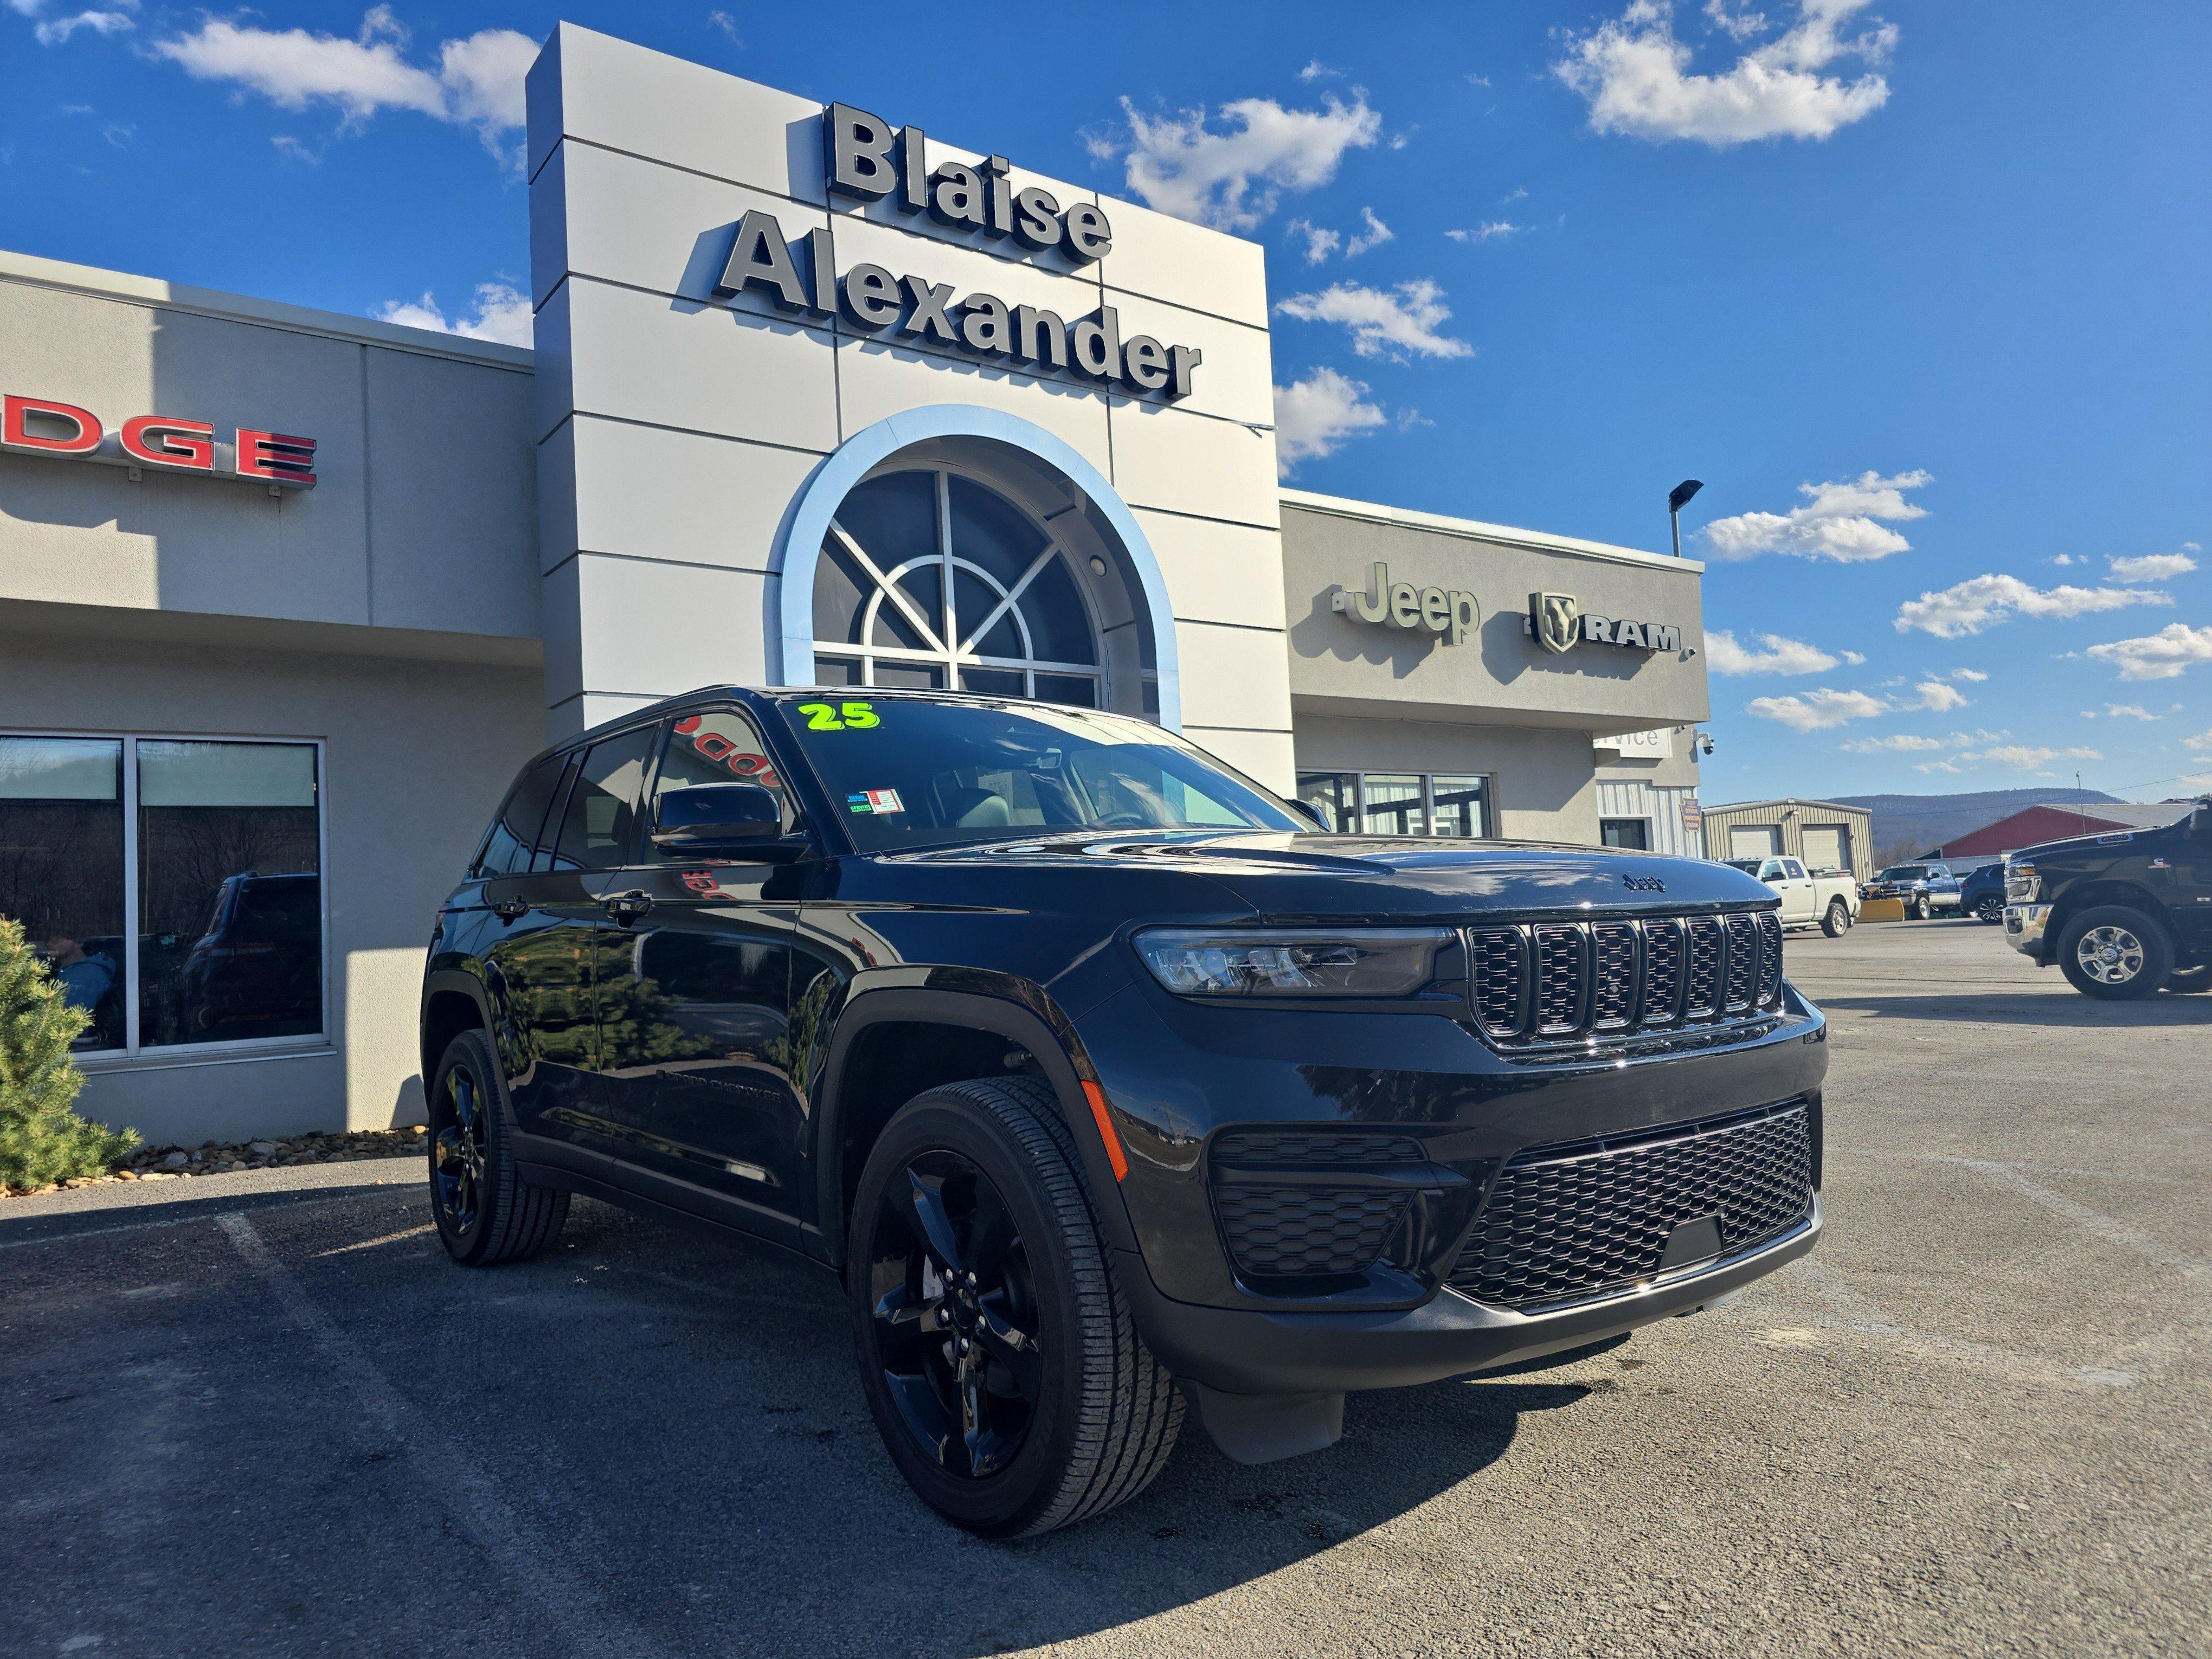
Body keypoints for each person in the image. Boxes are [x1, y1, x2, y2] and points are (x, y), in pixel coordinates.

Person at [43, 934, 117, 1016]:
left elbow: (75, 1020)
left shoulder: (86, 974)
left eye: (57, 940)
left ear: (79, 943)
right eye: (47, 940)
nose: (48, 944)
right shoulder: (65, 971)